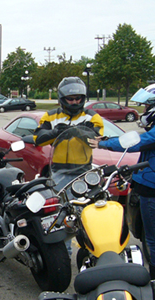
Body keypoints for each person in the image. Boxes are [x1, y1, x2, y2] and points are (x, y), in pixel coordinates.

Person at [89, 83, 155, 281]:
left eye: (148, 105)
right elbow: (145, 149)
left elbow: (137, 143)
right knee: (148, 234)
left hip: (154, 188)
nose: (145, 109)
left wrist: (103, 144)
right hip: (147, 184)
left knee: (153, 239)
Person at [34, 76, 104, 254]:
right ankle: (63, 251)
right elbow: (38, 139)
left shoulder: (92, 117)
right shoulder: (51, 116)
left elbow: (94, 138)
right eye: (70, 99)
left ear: (83, 98)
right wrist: (56, 132)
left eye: (78, 98)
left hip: (83, 172)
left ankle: (91, 250)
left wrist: (78, 132)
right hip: (58, 172)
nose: (74, 102)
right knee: (59, 212)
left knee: (88, 212)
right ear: (62, 98)